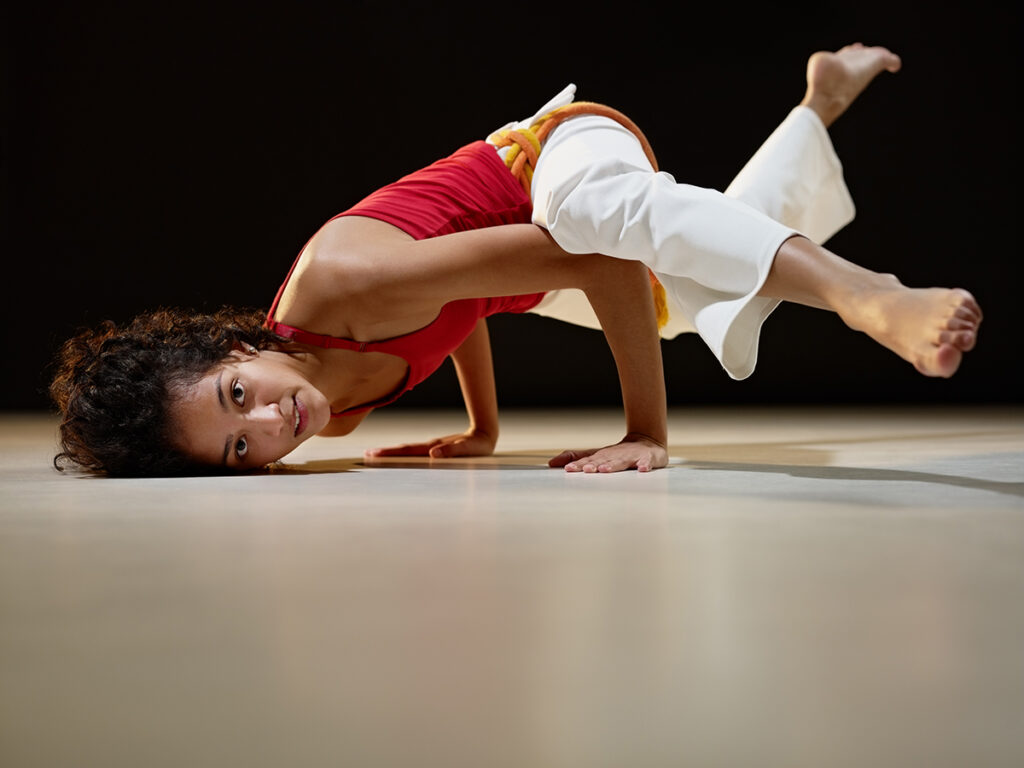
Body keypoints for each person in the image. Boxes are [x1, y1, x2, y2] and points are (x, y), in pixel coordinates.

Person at [49, 43, 982, 478]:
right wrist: (482, 429)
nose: (271, 422)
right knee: (695, 296)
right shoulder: (331, 421)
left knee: (605, 220)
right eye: (243, 449)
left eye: (236, 397)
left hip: (551, 155)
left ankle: (870, 298)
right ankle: (816, 106)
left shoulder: (346, 278)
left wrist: (645, 433)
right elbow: (461, 308)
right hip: (543, 253)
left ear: (227, 346)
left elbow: (602, 264)